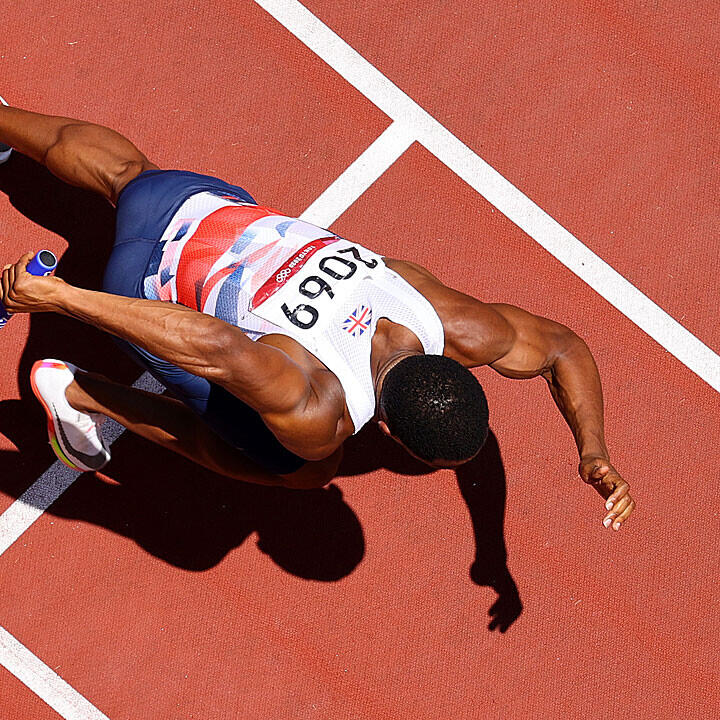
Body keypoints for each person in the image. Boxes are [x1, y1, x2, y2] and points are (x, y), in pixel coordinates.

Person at [0, 100, 635, 530]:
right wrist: (65, 298)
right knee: (297, 471)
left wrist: (594, 450)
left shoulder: (450, 319)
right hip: (141, 283)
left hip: (193, 208)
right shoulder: (323, 413)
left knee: (125, 171)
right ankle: (76, 390)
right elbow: (218, 346)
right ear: (386, 430)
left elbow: (561, 349)